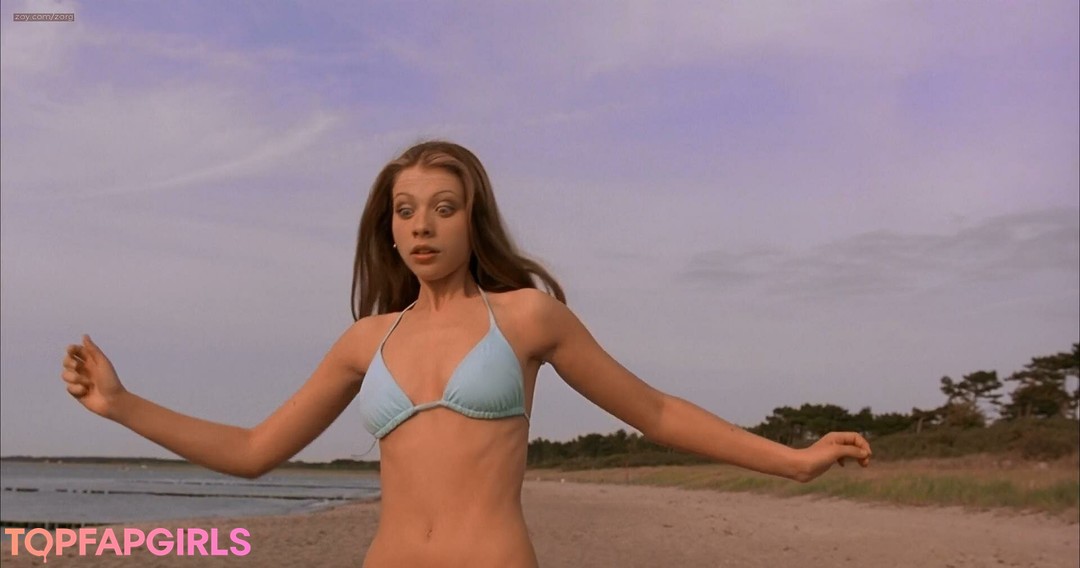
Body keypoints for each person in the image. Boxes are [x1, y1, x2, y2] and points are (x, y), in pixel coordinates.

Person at [61, 140, 873, 567]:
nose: (422, 225)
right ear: (389, 227)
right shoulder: (365, 341)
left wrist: (792, 461)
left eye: (443, 208)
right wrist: (121, 405)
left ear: (471, 220)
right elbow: (251, 451)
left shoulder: (525, 318)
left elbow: (655, 412)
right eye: (405, 210)